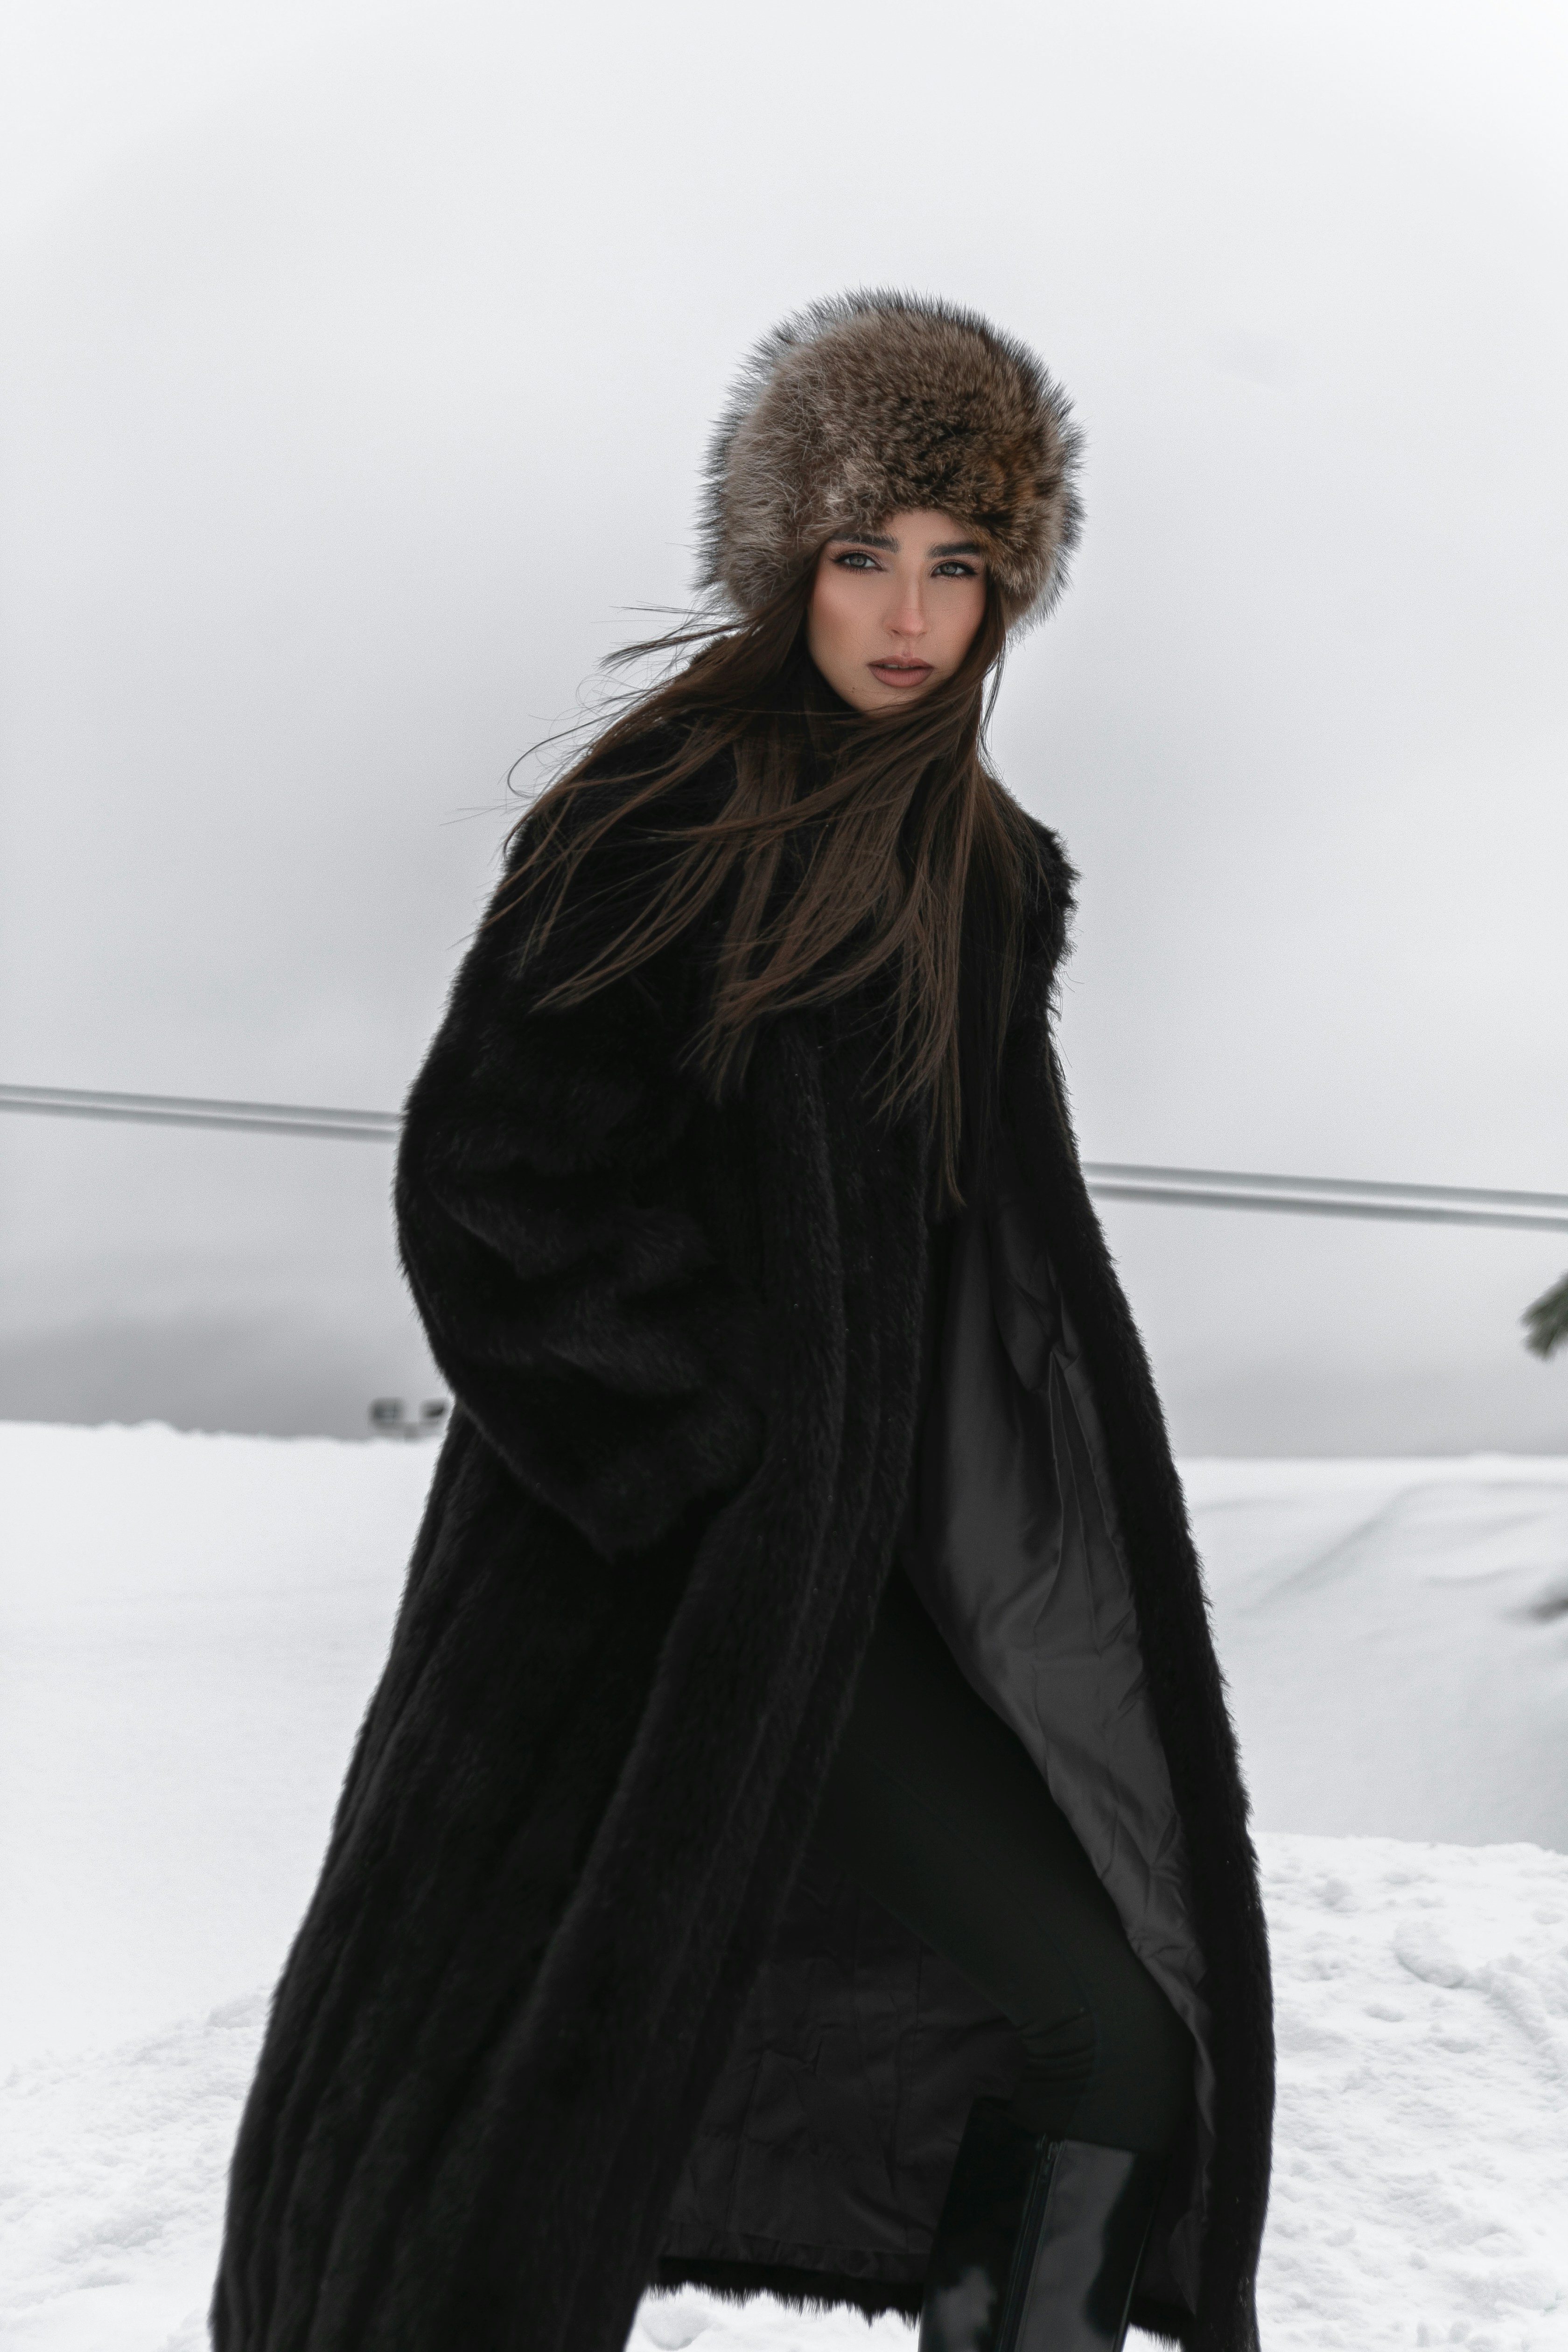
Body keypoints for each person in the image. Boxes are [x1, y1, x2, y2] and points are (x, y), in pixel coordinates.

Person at [213, 291, 1273, 2352]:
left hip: (872, 1590)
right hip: (643, 1597)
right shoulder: (662, 809)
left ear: (1008, 594)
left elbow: (978, 1252)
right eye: (864, 553)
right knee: (506, 2153)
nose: (905, 610)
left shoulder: (980, 868)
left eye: (958, 565)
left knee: (1117, 2044)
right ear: (786, 557)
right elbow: (492, 1194)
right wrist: (707, 1475)